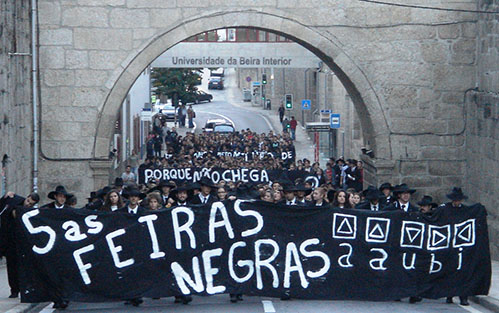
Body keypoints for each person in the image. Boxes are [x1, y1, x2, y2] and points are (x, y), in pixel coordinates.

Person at [0, 191, 39, 299]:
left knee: (22, 267)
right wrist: (5, 197)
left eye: (31, 204)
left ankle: (23, 289)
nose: (28, 204)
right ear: (27, 197)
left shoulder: (30, 212)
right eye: (28, 201)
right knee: (11, 267)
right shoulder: (15, 200)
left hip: (21, 242)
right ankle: (14, 290)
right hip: (8, 240)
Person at [442, 187, 470, 306]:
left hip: (462, 245)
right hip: (449, 245)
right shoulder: (445, 209)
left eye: (459, 200)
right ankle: (450, 294)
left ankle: (463, 297)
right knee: (450, 271)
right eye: (455, 200)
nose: (457, 202)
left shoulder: (466, 211)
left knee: (464, 273)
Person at [119, 188, 146, 307]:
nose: (134, 198)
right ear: (128, 198)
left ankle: (138, 295)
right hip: (125, 245)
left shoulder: (144, 212)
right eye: (131, 196)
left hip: (140, 245)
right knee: (127, 271)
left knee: (139, 270)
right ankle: (129, 295)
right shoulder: (120, 212)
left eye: (136, 196)